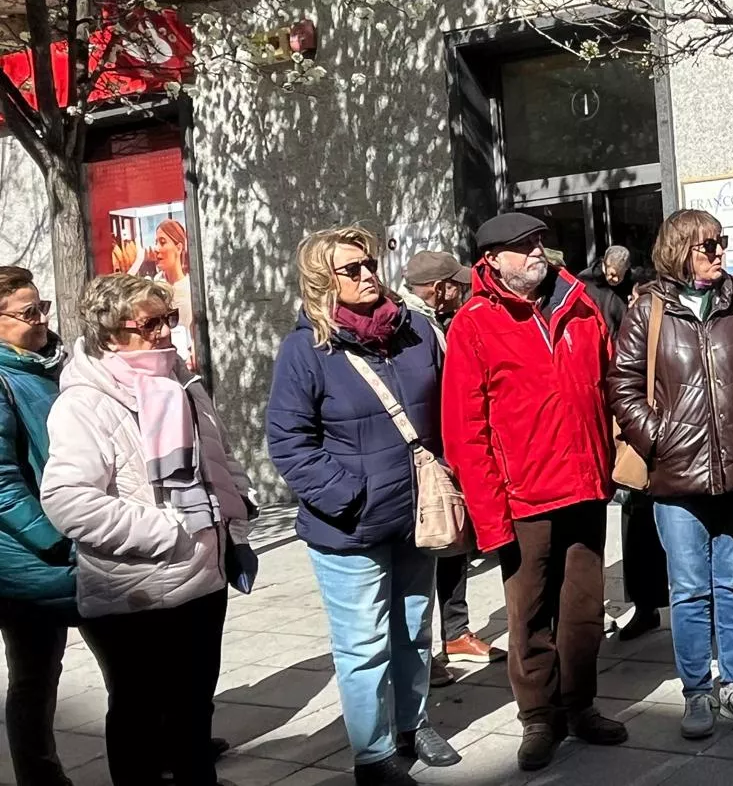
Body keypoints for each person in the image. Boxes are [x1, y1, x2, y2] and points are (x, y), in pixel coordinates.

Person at [41, 273, 254, 786]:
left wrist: (238, 503)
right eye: (149, 323)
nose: (164, 333)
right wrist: (167, 530)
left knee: (193, 707)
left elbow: (216, 458)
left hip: (204, 575)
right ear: (111, 333)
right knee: (138, 714)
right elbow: (68, 501)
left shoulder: (180, 379)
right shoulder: (83, 403)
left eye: (169, 319)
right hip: (135, 589)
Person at [267, 227, 459, 786]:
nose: (368, 275)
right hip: (347, 526)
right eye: (352, 269)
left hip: (416, 513)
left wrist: (449, 474)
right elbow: (288, 441)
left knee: (415, 627)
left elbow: (447, 413)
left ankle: (413, 723)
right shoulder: (305, 350)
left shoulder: (416, 332)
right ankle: (373, 755)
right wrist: (348, 496)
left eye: (370, 263)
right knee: (364, 644)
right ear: (323, 281)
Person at [441, 212, 628, 771]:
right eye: (523, 248)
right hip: (523, 498)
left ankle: (580, 705)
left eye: (541, 243)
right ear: (492, 260)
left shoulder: (581, 304)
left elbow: (612, 381)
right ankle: (539, 716)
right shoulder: (474, 322)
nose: (536, 254)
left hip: (587, 484)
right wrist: (491, 517)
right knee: (528, 617)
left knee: (582, 611)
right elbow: (464, 432)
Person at [610, 209, 733, 739]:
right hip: (676, 471)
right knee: (688, 589)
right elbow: (621, 384)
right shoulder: (646, 312)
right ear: (676, 251)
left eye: (721, 243)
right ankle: (696, 692)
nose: (716, 253)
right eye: (704, 246)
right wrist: (657, 437)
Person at [399, 251, 501, 687]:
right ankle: (421, 652)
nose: (460, 290)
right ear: (438, 288)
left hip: (445, 451)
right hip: (421, 459)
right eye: (455, 285)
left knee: (455, 545)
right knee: (427, 555)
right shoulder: (411, 325)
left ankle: (455, 633)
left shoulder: (436, 321)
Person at [0, 267, 74, 786]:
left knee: (134, 666)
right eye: (29, 314)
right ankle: (40, 777)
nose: (43, 320)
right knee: (35, 675)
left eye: (42, 307)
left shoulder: (50, 366)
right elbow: (1, 483)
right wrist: (56, 539)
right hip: (31, 558)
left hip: (76, 541)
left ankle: (165, 750)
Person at [401, 250, 472, 330]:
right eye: (460, 284)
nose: (462, 289)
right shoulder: (420, 328)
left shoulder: (410, 315)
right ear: (439, 289)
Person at [578, 245, 634, 333]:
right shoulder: (585, 281)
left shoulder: (631, 284)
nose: (615, 279)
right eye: (612, 274)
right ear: (604, 265)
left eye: (620, 275)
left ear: (626, 269)